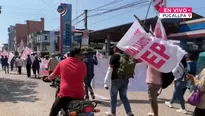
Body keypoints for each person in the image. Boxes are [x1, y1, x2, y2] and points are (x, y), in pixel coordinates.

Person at [45, 48, 86, 116]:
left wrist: (48, 78)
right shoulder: (83, 65)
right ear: (76, 55)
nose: (83, 56)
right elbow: (82, 76)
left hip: (65, 95)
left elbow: (53, 75)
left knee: (54, 110)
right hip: (79, 95)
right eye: (81, 55)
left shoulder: (62, 63)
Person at [104, 46, 134, 116]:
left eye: (114, 48)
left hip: (115, 79)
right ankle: (129, 112)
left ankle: (113, 113)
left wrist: (106, 82)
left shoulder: (114, 56)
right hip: (125, 79)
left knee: (113, 96)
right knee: (124, 96)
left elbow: (110, 69)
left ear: (116, 49)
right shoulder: (126, 57)